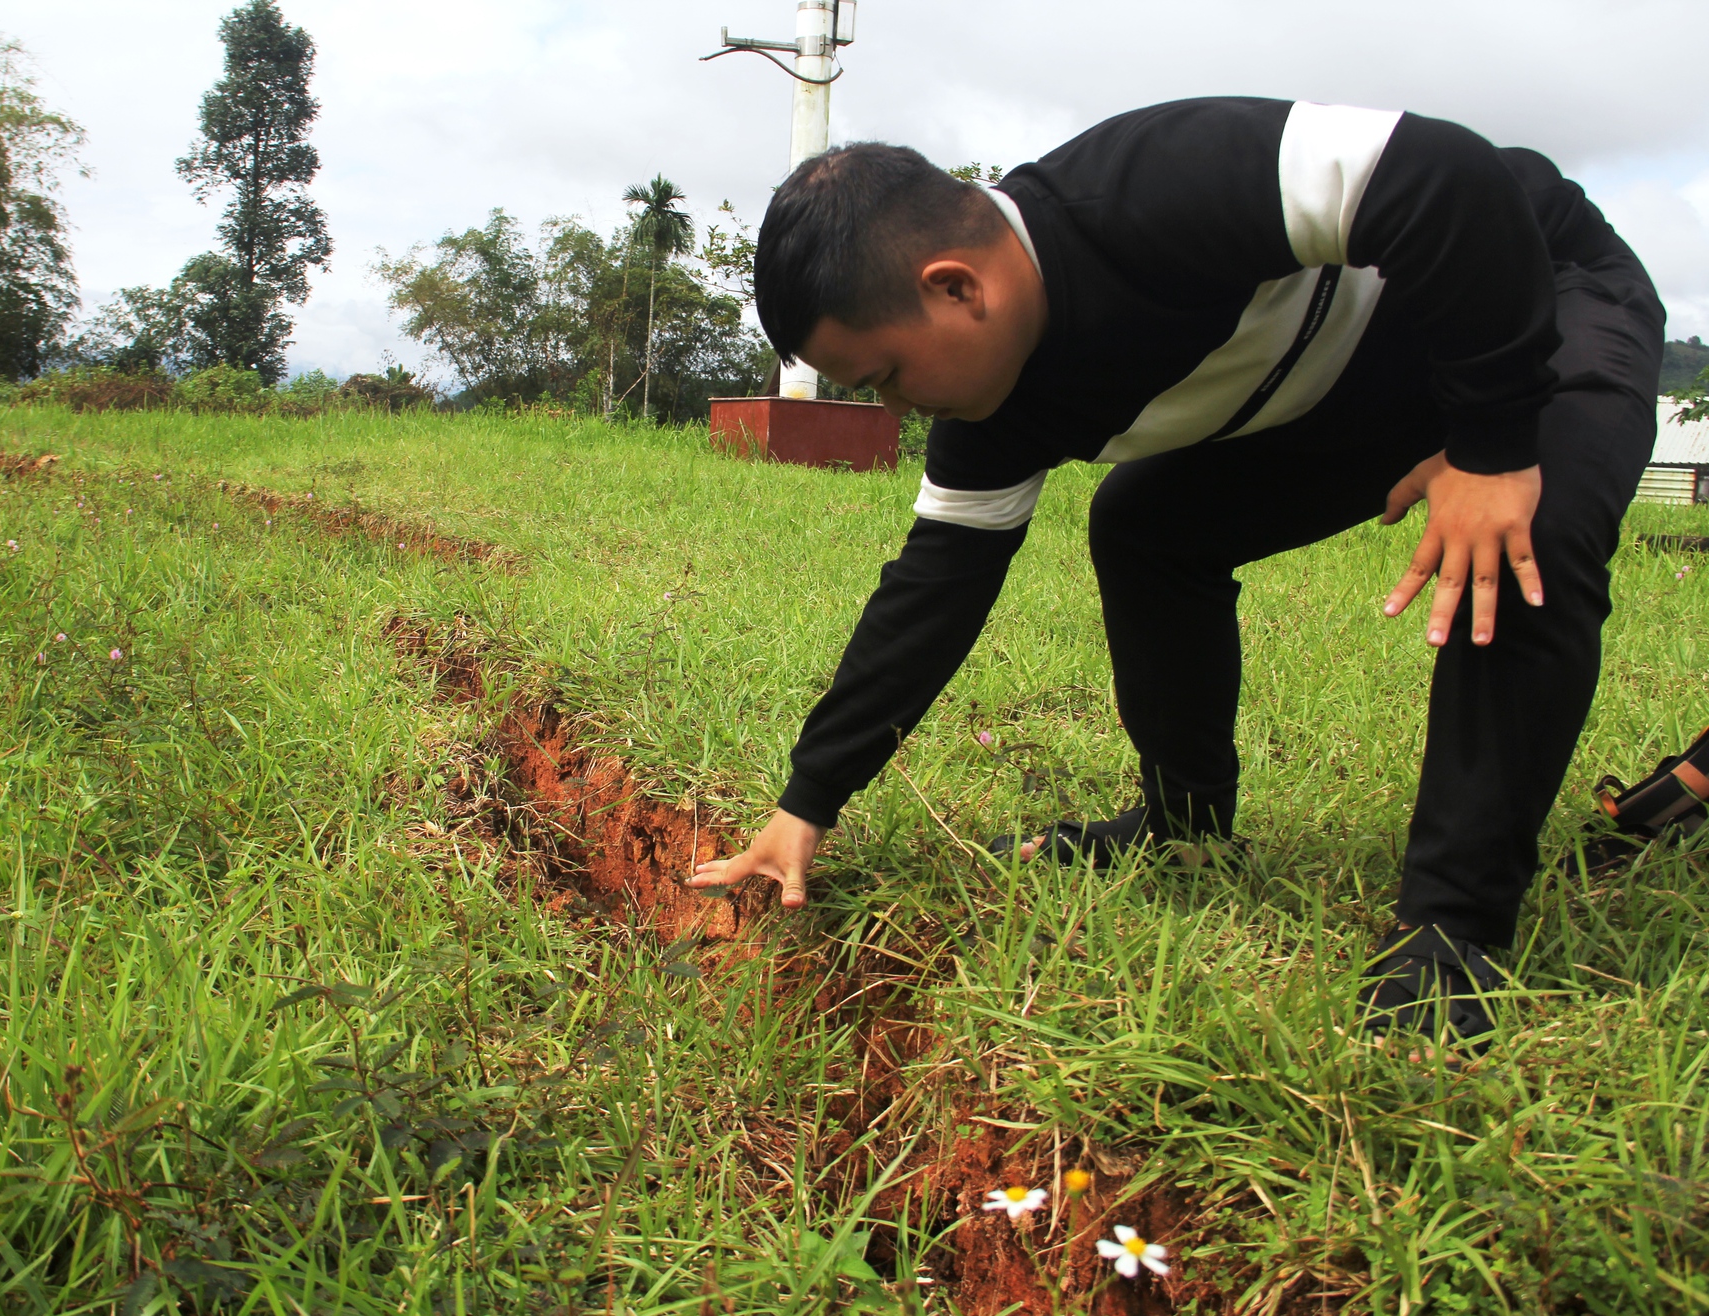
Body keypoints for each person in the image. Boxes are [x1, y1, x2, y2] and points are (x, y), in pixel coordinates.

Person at [684, 97, 1664, 1044]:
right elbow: (930, 595)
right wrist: (806, 802)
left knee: (1527, 527)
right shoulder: (992, 414)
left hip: (1531, 290)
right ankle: (1183, 824)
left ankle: (1452, 930)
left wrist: (1491, 446)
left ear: (954, 287)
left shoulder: (1151, 187)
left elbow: (1441, 175)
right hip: (1349, 382)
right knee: (1144, 523)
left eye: (887, 376)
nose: (896, 412)